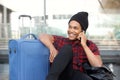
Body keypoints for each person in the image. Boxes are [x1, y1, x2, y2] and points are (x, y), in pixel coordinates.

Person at [39, 11, 103, 80]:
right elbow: (42, 36)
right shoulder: (61, 40)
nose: (71, 31)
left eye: (75, 28)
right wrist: (52, 48)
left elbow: (98, 65)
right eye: (70, 27)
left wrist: (84, 45)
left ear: (82, 31)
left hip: (76, 76)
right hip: (60, 75)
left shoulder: (89, 45)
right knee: (67, 49)